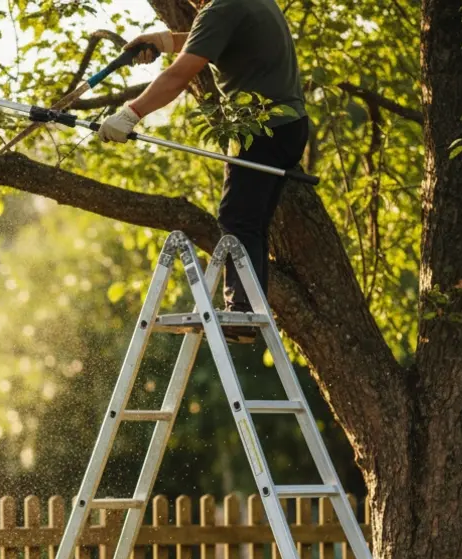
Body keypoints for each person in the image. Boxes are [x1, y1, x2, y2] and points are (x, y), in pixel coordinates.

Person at [98, 0, 309, 323]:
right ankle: (249, 309)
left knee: (238, 219)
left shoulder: (221, 8)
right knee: (249, 221)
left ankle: (243, 311)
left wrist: (131, 114)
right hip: (288, 127)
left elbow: (180, 74)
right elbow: (213, 36)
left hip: (263, 129)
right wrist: (163, 41)